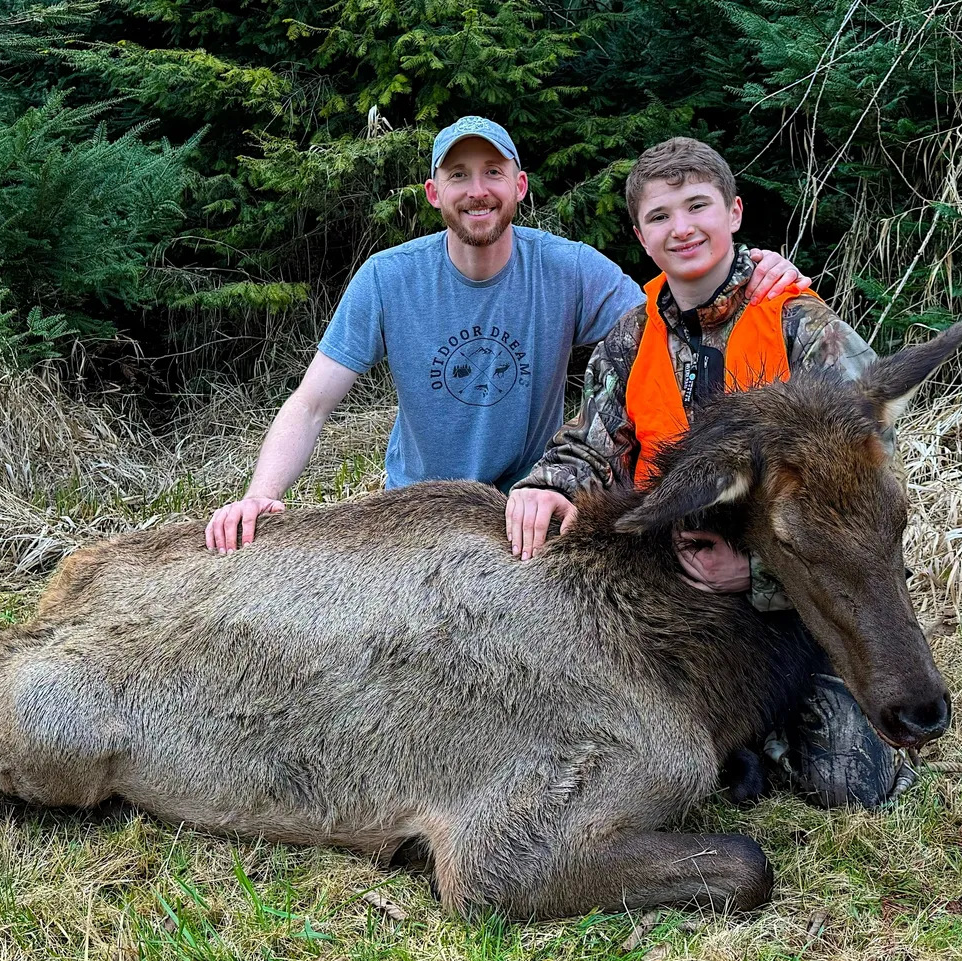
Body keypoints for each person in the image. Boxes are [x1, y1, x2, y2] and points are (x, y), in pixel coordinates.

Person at [506, 136, 900, 807]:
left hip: (798, 596)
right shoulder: (630, 338)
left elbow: (863, 513)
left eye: (697, 206)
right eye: (660, 216)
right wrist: (545, 484)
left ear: (734, 212)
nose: (681, 228)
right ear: (641, 237)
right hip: (674, 589)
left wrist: (757, 573)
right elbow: (590, 443)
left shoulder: (802, 324)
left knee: (845, 784)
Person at [206, 117, 807, 552]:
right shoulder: (388, 278)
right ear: (435, 194)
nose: (478, 190)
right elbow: (311, 404)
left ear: (519, 185)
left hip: (530, 507)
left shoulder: (569, 268)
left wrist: (749, 271)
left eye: (493, 172)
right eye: (459, 175)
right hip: (413, 510)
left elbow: (673, 316)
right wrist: (260, 494)